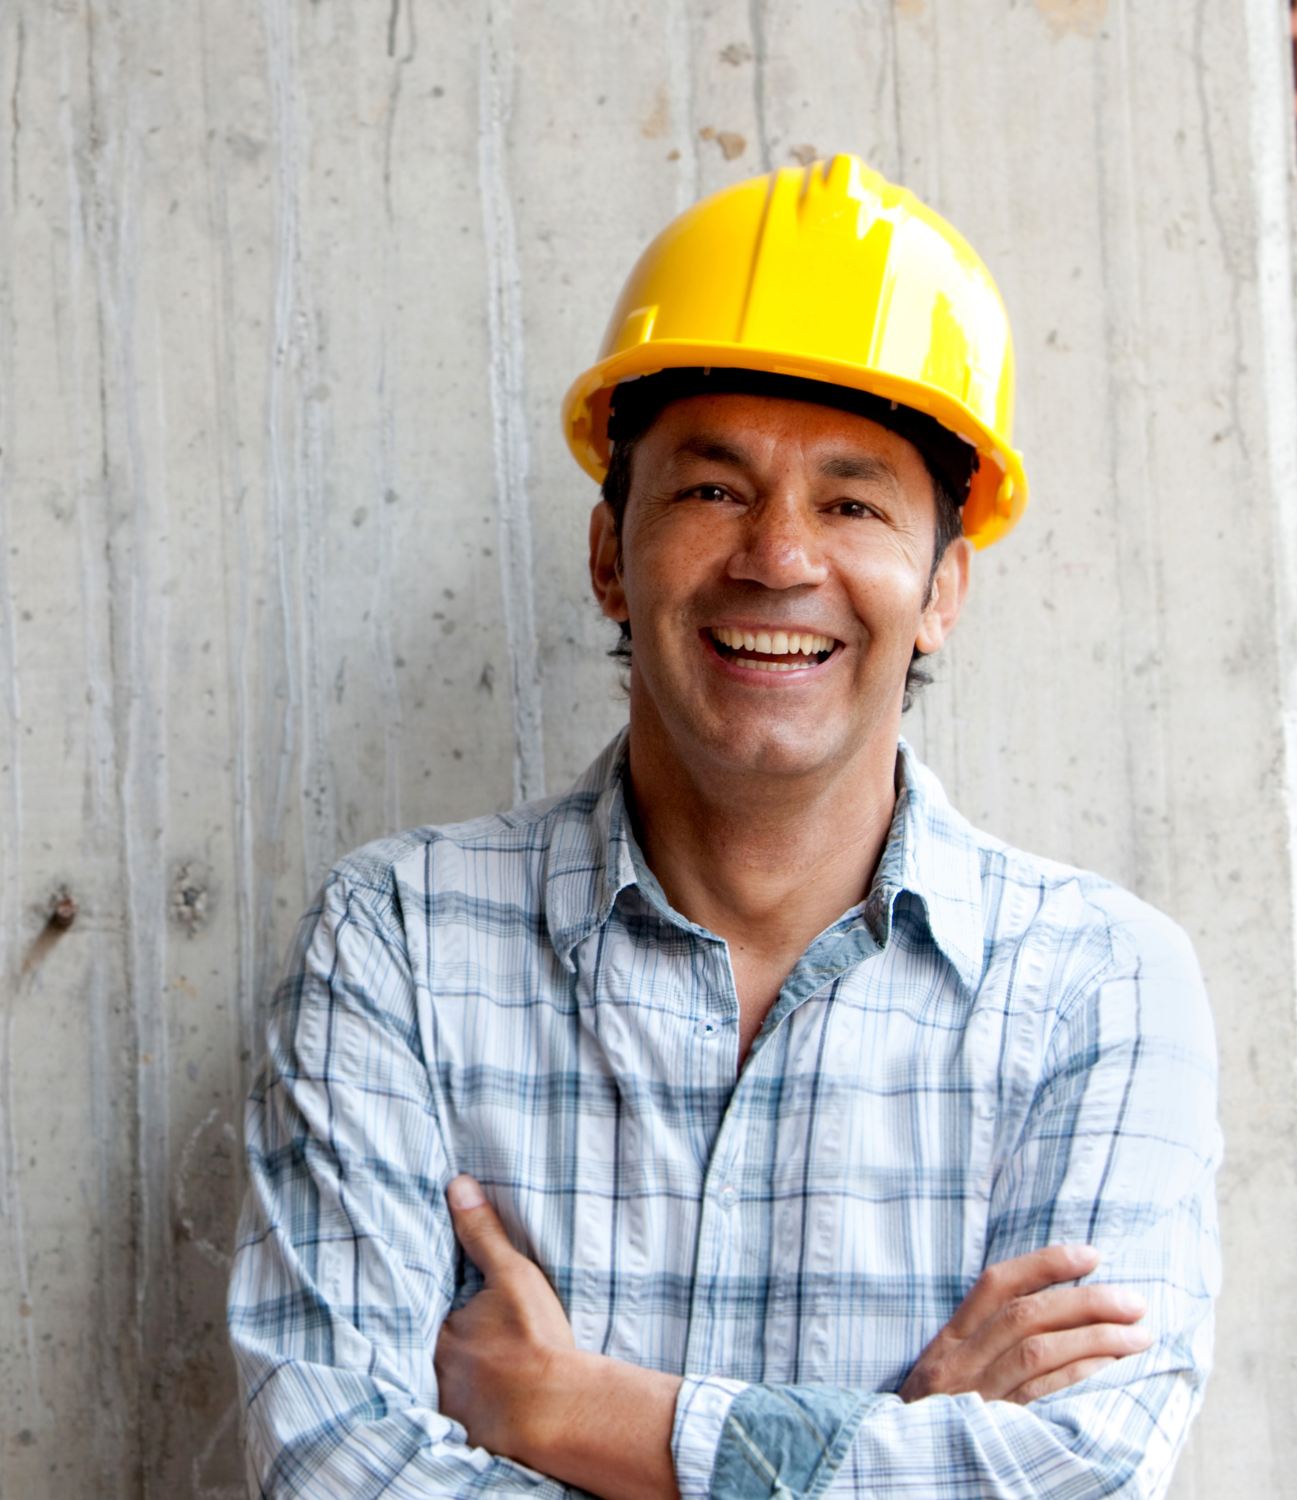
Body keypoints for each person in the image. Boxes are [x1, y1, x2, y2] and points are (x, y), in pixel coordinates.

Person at [228, 155, 1220, 1500]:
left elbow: (1083, 1478)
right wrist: (905, 1432)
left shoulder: (1101, 987)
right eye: (711, 489)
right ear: (606, 557)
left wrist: (586, 1418)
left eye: (855, 500)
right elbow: (336, 1471)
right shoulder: (399, 943)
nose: (780, 557)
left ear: (942, 588)